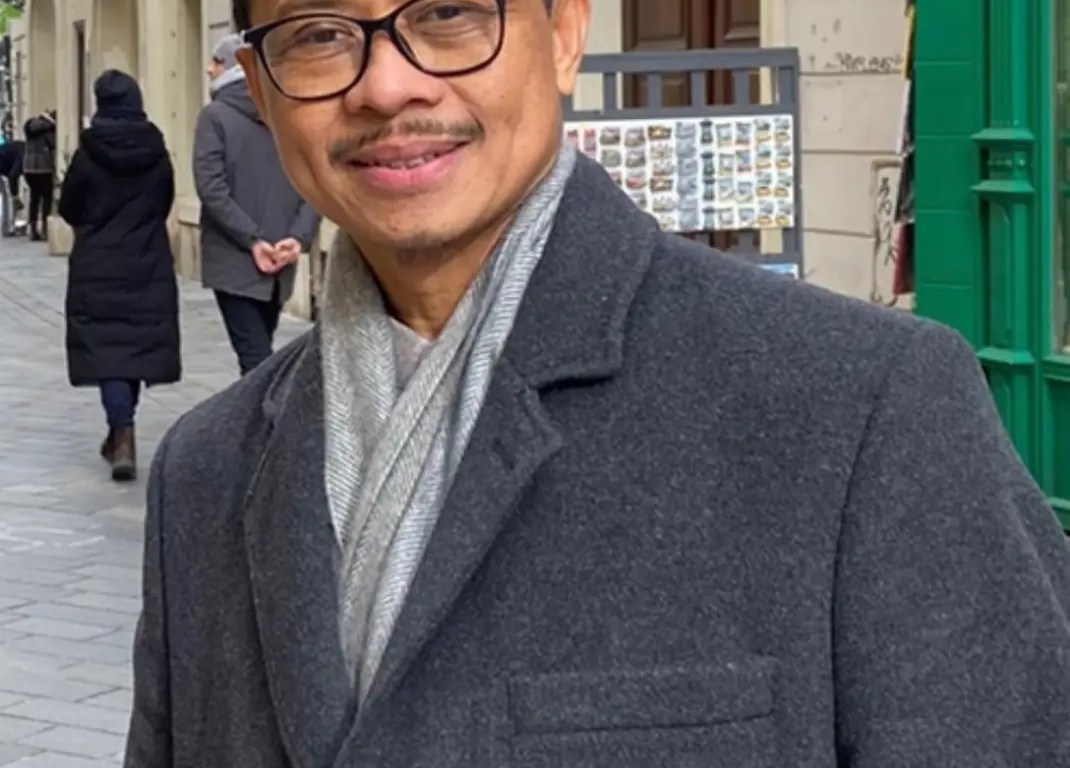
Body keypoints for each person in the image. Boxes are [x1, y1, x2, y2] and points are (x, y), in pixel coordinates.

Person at [124, 1, 1070, 766]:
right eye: (320, 34)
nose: (387, 85)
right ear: (261, 89)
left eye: (450, 14)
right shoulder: (206, 473)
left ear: (565, 32)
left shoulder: (862, 409)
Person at [59, 70, 180, 482]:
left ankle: (122, 432)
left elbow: (69, 207)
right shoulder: (156, 150)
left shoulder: (88, 154)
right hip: (146, 262)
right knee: (134, 347)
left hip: (97, 264)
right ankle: (121, 431)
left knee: (108, 350)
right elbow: (164, 200)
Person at [193, 32, 321, 376]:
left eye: (216, 62)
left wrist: (251, 239)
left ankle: (271, 412)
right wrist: (297, 237)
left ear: (235, 67)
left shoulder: (215, 116)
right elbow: (316, 181)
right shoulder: (289, 111)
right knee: (259, 353)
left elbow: (211, 187)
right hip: (281, 255)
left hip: (235, 258)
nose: (209, 69)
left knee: (255, 361)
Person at [22, 109, 55, 241]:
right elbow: (53, 144)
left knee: (34, 199)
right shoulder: (48, 129)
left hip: (28, 168)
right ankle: (46, 229)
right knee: (47, 198)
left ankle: (33, 229)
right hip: (44, 168)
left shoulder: (30, 126)